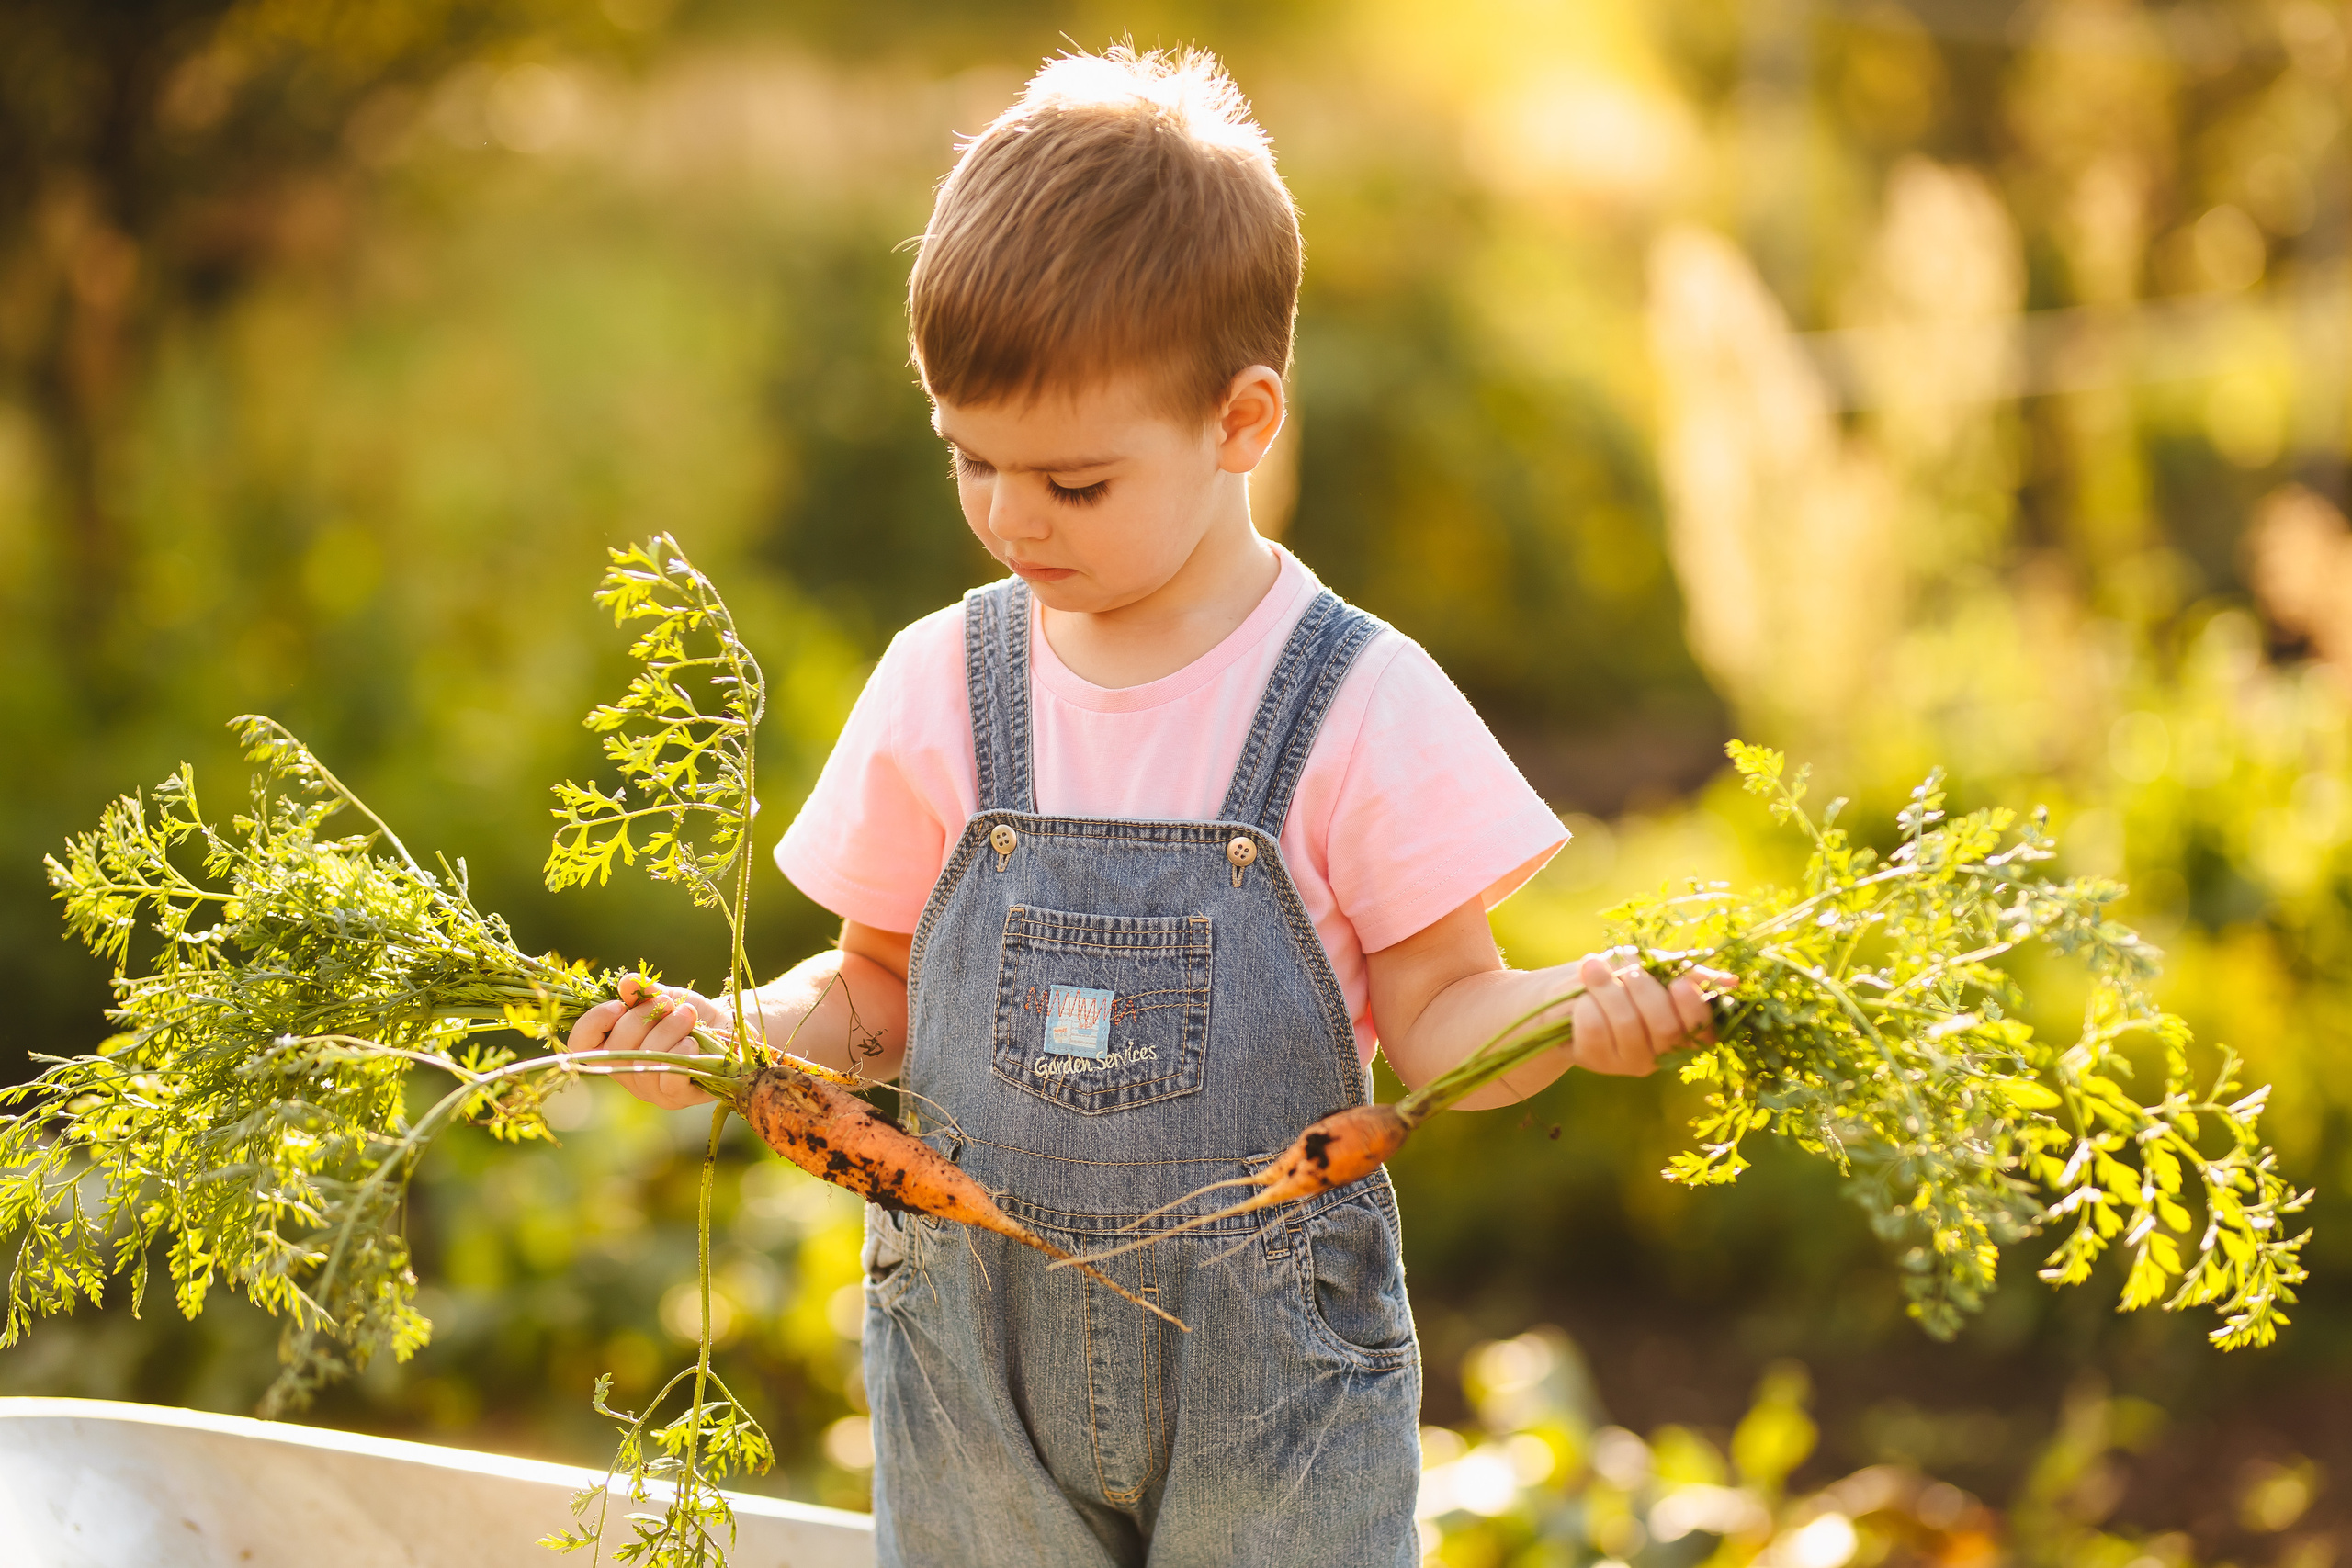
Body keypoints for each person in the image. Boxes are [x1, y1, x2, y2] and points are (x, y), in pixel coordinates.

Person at [565, 44, 1713, 1568]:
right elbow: (875, 994)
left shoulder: (1357, 701)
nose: (1008, 519)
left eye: (1074, 483)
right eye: (971, 460)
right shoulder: (940, 684)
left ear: (1242, 421)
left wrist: (1580, 1014)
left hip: (1272, 1405)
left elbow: (1442, 1019)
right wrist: (737, 1038)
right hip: (971, 1385)